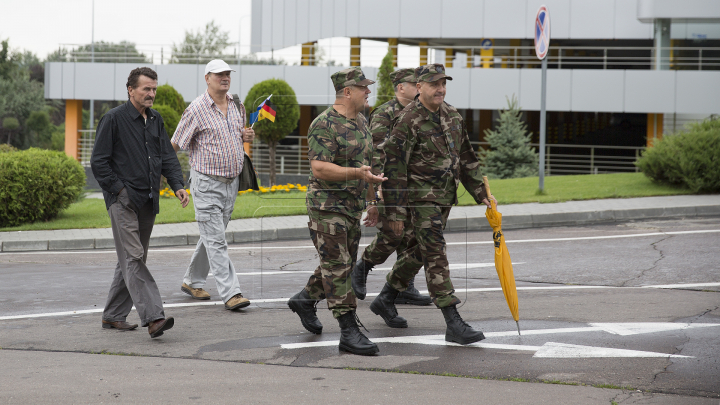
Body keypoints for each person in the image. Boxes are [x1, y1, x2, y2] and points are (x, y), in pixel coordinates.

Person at [372, 64, 495, 345]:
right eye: (434, 84)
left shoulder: (452, 115)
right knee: (435, 252)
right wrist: (396, 212)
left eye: (443, 83)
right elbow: (395, 169)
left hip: (444, 197)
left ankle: (386, 297)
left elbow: (466, 156)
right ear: (419, 87)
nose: (440, 89)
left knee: (417, 252)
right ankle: (453, 321)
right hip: (418, 199)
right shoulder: (407, 120)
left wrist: (480, 192)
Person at [286, 67, 386, 356]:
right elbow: (319, 167)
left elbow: (368, 167)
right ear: (347, 92)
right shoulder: (324, 124)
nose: (368, 92)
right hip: (326, 207)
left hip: (351, 207)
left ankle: (305, 300)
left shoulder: (362, 122)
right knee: (339, 267)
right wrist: (358, 174)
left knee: (339, 263)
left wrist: (372, 202)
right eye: (363, 87)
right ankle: (348, 330)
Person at [91, 67, 189, 338]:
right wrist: (119, 191)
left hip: (148, 200)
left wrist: (177, 185)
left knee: (132, 259)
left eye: (154, 89)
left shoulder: (155, 120)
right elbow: (98, 161)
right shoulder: (113, 119)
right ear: (130, 89)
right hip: (123, 201)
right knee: (134, 257)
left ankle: (112, 315)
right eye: (146, 89)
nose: (152, 94)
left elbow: (167, 156)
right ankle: (154, 317)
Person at [171, 59, 255, 311]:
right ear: (207, 78)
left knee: (211, 236)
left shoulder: (236, 104)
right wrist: (169, 176)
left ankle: (191, 281)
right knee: (217, 240)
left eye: (228, 73)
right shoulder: (196, 109)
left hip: (231, 184)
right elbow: (174, 144)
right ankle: (232, 293)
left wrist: (246, 136)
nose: (225, 78)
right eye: (219, 74)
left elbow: (238, 135)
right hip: (206, 184)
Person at [351, 68, 432, 307]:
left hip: (416, 185)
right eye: (413, 83)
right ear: (400, 88)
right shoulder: (385, 113)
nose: (418, 88)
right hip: (390, 183)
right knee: (392, 235)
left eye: (420, 83)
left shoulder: (424, 111)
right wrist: (375, 196)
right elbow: (375, 154)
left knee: (414, 238)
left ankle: (405, 286)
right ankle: (362, 267)